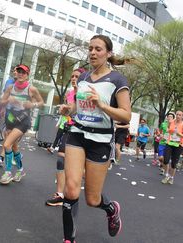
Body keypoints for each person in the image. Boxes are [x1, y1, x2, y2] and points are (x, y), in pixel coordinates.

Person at [59, 35, 131, 242]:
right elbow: (77, 107)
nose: (92, 52)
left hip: (100, 141)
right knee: (71, 188)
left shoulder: (117, 80)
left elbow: (125, 115)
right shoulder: (82, 78)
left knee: (92, 199)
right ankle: (68, 239)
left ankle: (110, 208)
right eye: (90, 48)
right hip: (77, 134)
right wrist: (68, 109)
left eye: (98, 49)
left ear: (108, 53)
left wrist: (102, 105)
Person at [0, 64, 44, 184]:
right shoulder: (10, 87)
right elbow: (1, 101)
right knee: (14, 147)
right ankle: (21, 170)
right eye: (19, 71)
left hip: (23, 120)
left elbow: (41, 102)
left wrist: (32, 105)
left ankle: (7, 173)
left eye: (23, 72)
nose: (20, 74)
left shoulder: (31, 89)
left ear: (27, 75)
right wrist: (8, 100)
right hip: (11, 119)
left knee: (7, 144)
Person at [46, 68, 83, 206]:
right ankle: (60, 194)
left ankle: (73, 185)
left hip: (84, 132)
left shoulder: (86, 92)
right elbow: (70, 111)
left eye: (77, 76)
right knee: (60, 160)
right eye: (72, 76)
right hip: (70, 128)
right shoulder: (70, 93)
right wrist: (64, 110)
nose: (73, 78)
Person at [161, 110, 183, 185]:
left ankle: (171, 177)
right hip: (169, 143)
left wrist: (179, 134)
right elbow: (169, 131)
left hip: (178, 145)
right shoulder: (171, 122)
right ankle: (166, 176)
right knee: (165, 160)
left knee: (173, 163)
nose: (178, 116)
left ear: (182, 116)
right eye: (177, 114)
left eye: (180, 115)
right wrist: (168, 133)